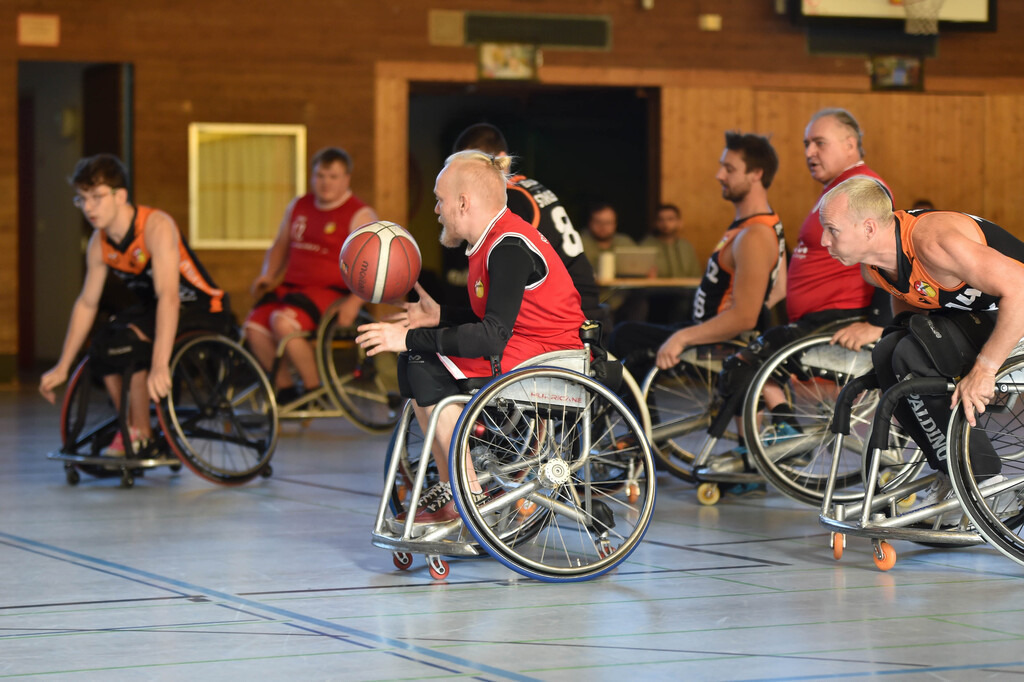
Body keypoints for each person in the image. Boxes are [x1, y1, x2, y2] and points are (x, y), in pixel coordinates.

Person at [355, 150, 586, 524]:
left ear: (463, 202)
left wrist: (407, 339)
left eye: (439, 200)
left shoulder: (508, 247)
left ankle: (466, 496)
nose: (436, 210)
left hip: (550, 358)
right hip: (528, 347)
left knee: (419, 359)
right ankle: (458, 486)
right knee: (418, 363)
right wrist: (439, 316)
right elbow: (498, 321)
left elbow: (491, 337)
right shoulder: (495, 239)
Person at [705, 108, 895, 472]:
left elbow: (887, 253)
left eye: (819, 143)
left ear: (850, 144)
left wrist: (877, 323)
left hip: (836, 319)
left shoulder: (864, 188)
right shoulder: (838, 189)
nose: (809, 152)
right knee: (748, 352)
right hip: (816, 318)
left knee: (743, 364)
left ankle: (784, 433)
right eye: (806, 143)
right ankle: (782, 431)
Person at [819, 175, 1024, 509]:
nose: (824, 241)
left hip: (1018, 311)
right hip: (991, 318)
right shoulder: (874, 268)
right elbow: (912, 305)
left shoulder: (934, 242)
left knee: (912, 353)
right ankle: (949, 468)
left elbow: (1020, 288)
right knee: (889, 351)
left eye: (832, 229)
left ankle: (987, 481)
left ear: (868, 228)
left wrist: (985, 370)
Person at [39, 153, 230, 455]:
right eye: (82, 199)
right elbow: (87, 304)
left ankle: (140, 431)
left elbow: (169, 295)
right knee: (103, 342)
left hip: (202, 305)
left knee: (130, 341)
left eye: (97, 197)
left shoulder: (155, 226)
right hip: (156, 310)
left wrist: (159, 365)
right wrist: (63, 366)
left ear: (121, 196)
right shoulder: (99, 244)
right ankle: (133, 426)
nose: (88, 207)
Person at [609, 131, 785, 381]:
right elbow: (779, 288)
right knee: (631, 333)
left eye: (729, 168)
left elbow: (746, 316)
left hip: (718, 343)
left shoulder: (754, 235)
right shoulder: (767, 223)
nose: (719, 175)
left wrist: (685, 337)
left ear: (756, 174)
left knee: (625, 336)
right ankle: (645, 418)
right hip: (712, 332)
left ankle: (643, 420)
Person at [244, 147, 377, 404]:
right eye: (320, 175)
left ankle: (315, 389)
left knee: (282, 322)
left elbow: (373, 264)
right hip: (292, 290)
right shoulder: (298, 205)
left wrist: (355, 301)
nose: (325, 182)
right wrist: (267, 275)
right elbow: (280, 245)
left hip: (330, 294)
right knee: (253, 327)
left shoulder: (359, 214)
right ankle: (285, 391)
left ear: (346, 178)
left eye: (333, 176)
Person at [450, 123, 602, 321]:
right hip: (583, 301)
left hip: (567, 314)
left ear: (502, 161)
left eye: (473, 168)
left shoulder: (506, 198)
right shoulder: (531, 187)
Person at [639, 203, 701, 324]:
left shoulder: (686, 246)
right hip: (656, 292)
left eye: (670, 219)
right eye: (661, 220)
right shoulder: (646, 245)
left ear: (679, 222)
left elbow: (696, 276)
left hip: (685, 291)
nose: (666, 224)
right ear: (655, 223)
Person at [580, 203, 635, 274]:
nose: (603, 227)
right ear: (590, 223)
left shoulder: (625, 242)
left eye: (608, 223)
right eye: (598, 222)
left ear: (615, 224)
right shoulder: (579, 244)